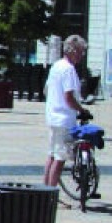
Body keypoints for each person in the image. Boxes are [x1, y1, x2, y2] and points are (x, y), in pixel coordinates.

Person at [41, 35, 90, 192]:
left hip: (52, 117)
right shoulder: (68, 70)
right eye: (81, 51)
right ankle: (51, 192)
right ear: (73, 51)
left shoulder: (56, 66)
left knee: (52, 155)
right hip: (64, 119)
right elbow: (69, 97)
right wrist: (82, 110)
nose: (82, 55)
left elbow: (46, 89)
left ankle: (45, 189)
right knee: (61, 157)